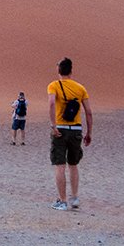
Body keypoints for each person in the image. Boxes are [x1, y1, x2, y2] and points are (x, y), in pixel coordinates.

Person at [47, 58, 93, 211]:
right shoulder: (80, 88)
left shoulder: (53, 85)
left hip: (60, 129)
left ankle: (62, 200)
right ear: (71, 71)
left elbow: (52, 103)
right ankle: (75, 197)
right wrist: (89, 132)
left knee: (60, 165)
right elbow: (88, 112)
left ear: (58, 70)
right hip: (76, 130)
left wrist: (53, 125)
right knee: (73, 165)